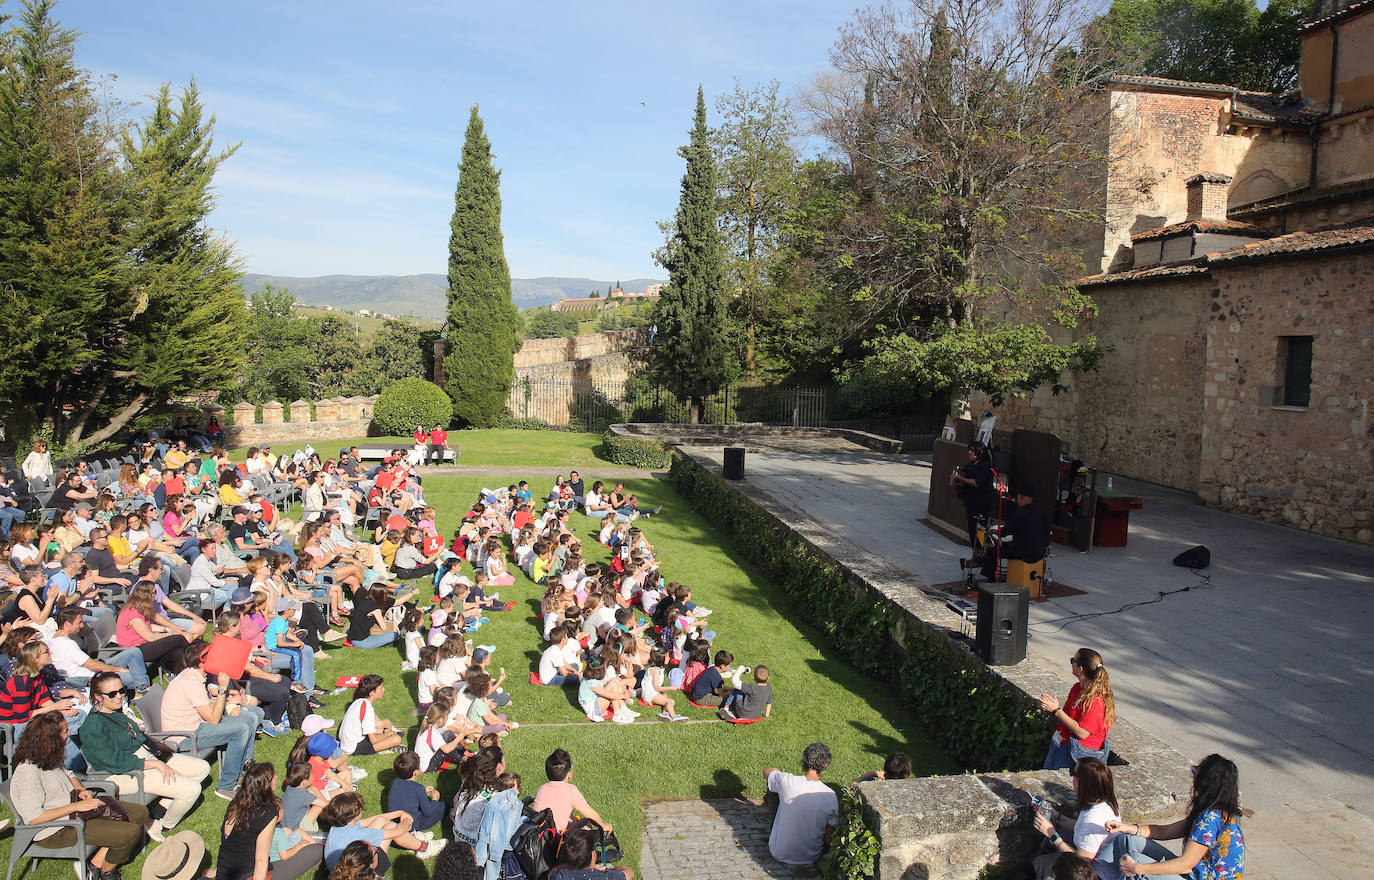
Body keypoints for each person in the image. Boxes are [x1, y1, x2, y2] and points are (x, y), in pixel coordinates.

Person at [10, 713, 149, 880]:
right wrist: (75, 807)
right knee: (131, 832)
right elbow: (34, 818)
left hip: (75, 811)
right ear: (51, 737)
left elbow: (69, 774)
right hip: (54, 830)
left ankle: (95, 864)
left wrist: (80, 789)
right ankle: (107, 871)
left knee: (140, 813)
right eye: (64, 730)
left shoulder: (48, 755)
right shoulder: (28, 771)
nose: (69, 733)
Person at [80, 670, 211, 838]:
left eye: (122, 690)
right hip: (123, 773)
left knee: (202, 768)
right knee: (192, 789)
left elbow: (136, 736)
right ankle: (164, 824)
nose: (119, 696)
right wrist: (155, 764)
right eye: (112, 694)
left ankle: (160, 809)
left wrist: (157, 752)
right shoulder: (93, 726)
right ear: (98, 697)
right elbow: (115, 763)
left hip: (146, 757)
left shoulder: (116, 711)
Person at [1108, 754, 1245, 879]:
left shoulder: (1211, 818)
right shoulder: (1216, 813)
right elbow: (1164, 831)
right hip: (1192, 874)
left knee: (1137, 864)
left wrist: (1138, 868)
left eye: (1195, 774)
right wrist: (1129, 828)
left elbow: (1185, 864)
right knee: (1127, 839)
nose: (1193, 780)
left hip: (1192, 874)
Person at [162, 642, 264, 799]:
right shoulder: (190, 681)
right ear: (202, 661)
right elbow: (213, 719)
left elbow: (206, 708)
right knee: (241, 729)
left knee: (249, 720)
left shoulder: (194, 675)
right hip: (185, 736)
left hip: (197, 725)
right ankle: (225, 786)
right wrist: (223, 689)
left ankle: (238, 773)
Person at [215, 762, 324, 880]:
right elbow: (261, 859)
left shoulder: (236, 803)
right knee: (317, 850)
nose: (277, 777)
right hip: (249, 875)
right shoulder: (266, 813)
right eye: (273, 776)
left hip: (225, 873)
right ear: (266, 784)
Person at [1031, 757, 1121, 879]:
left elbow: (1082, 865)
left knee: (1041, 864)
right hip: (1104, 864)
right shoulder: (1105, 804)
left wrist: (1052, 834)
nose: (1072, 777)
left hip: (1096, 874)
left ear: (1083, 782)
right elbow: (1083, 829)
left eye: (1073, 773)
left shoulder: (1092, 818)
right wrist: (1058, 817)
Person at [320, 791, 442, 868]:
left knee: (381, 821)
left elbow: (371, 821)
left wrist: (399, 813)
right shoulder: (359, 834)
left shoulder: (338, 825)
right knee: (392, 827)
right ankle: (424, 848)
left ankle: (413, 840)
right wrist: (407, 821)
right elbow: (397, 832)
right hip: (364, 872)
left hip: (341, 870)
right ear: (355, 813)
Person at [765, 742, 838, 867]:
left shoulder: (787, 781)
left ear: (805, 760)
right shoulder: (830, 795)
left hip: (779, 852)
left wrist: (777, 771)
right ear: (825, 766)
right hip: (811, 856)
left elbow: (766, 772)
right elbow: (829, 836)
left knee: (774, 789)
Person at [1040, 648, 1115, 770]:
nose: (1071, 662)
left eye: (1073, 660)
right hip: (1062, 742)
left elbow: (1082, 733)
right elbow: (1068, 717)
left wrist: (1056, 710)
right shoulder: (1077, 688)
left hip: (1080, 753)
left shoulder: (1096, 700)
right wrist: (1051, 705)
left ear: (1080, 669)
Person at [48, 606, 150, 692]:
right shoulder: (66, 644)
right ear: (67, 624)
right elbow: (92, 666)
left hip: (93, 667)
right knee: (138, 677)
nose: (82, 625)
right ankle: (142, 689)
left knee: (134, 651)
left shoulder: (53, 638)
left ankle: (141, 686)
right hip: (90, 677)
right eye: (79, 622)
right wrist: (121, 669)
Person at [530, 748, 612, 834]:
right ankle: (589, 847)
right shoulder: (571, 790)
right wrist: (603, 826)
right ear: (568, 774)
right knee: (587, 824)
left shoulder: (542, 789)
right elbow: (591, 816)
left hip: (541, 837)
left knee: (571, 818)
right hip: (558, 839)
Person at [981, 486, 1051, 582]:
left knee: (992, 551)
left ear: (1022, 497)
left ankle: (990, 580)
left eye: (1017, 497)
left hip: (1023, 553)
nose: (1016, 499)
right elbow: (1046, 532)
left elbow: (1005, 532)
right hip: (1039, 553)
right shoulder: (1042, 512)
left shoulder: (1020, 513)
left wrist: (994, 531)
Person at [338, 674, 404, 755]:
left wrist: (384, 731)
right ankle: (382, 749)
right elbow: (373, 740)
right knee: (397, 739)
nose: (384, 690)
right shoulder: (367, 708)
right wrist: (389, 733)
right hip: (353, 747)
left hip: (350, 740)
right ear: (372, 693)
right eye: (381, 688)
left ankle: (388, 737)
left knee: (387, 722)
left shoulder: (360, 701)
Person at [950, 440, 995, 554]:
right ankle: (976, 554)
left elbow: (977, 483)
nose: (969, 453)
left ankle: (981, 553)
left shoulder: (985, 467)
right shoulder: (971, 465)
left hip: (980, 503)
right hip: (970, 502)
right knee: (972, 530)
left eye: (972, 451)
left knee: (979, 529)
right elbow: (963, 474)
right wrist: (956, 478)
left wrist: (961, 479)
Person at [386, 751, 446, 832]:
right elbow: (428, 813)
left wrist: (422, 793)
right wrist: (435, 799)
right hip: (412, 825)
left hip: (395, 822)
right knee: (443, 806)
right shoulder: (418, 788)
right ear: (415, 772)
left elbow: (406, 795)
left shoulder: (395, 782)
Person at [548, 824, 633, 880]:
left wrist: (569, 866)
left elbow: (552, 872)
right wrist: (609, 870)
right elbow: (629, 872)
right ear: (594, 854)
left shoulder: (560, 876)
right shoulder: (606, 877)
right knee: (609, 865)